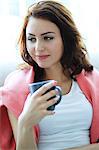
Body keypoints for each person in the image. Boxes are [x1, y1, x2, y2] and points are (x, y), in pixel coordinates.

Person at [0, 0, 99, 149]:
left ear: (66, 39)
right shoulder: (15, 88)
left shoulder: (93, 80)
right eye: (32, 39)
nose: (38, 48)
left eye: (48, 38)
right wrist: (25, 122)